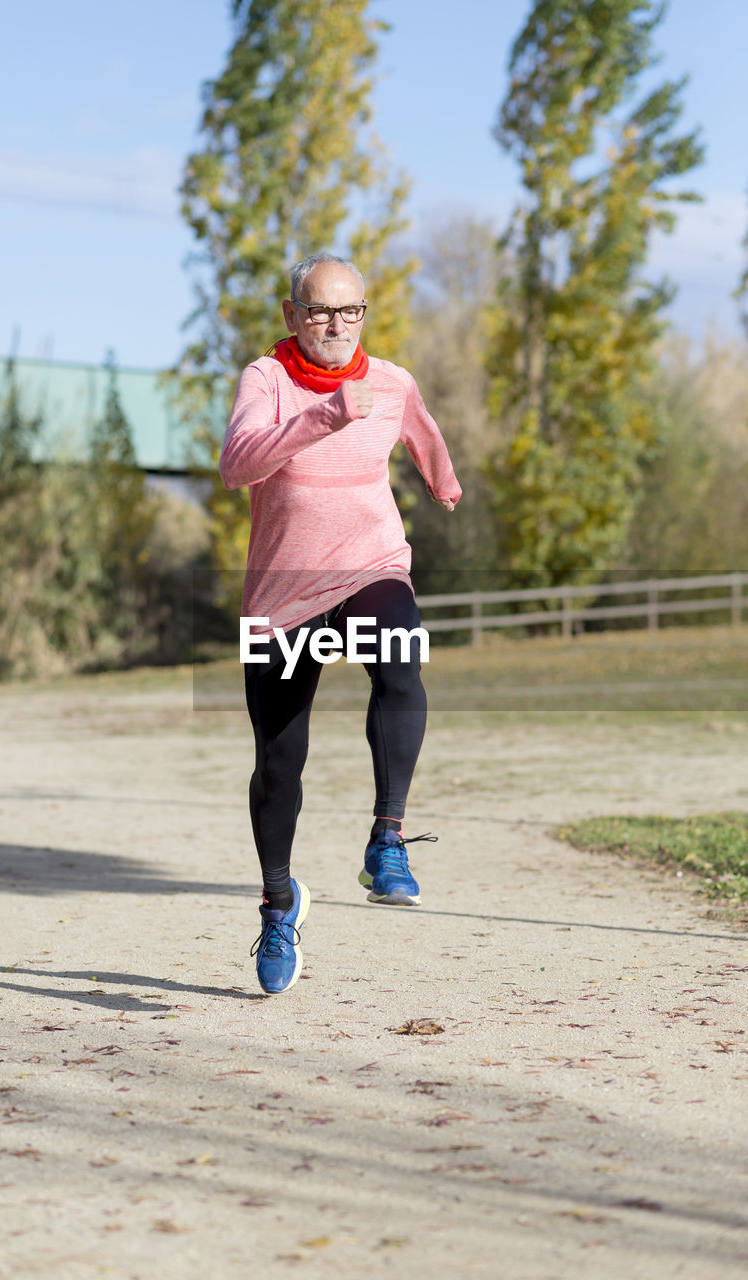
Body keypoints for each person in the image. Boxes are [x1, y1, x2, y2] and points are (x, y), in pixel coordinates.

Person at [220, 252, 461, 994]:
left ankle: (388, 840)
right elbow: (237, 465)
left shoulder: (391, 381)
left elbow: (419, 429)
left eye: (350, 310)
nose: (336, 324)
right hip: (284, 594)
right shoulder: (266, 379)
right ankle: (279, 900)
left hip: (370, 563)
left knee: (400, 659)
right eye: (320, 310)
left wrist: (442, 478)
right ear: (292, 315)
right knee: (277, 764)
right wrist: (325, 414)